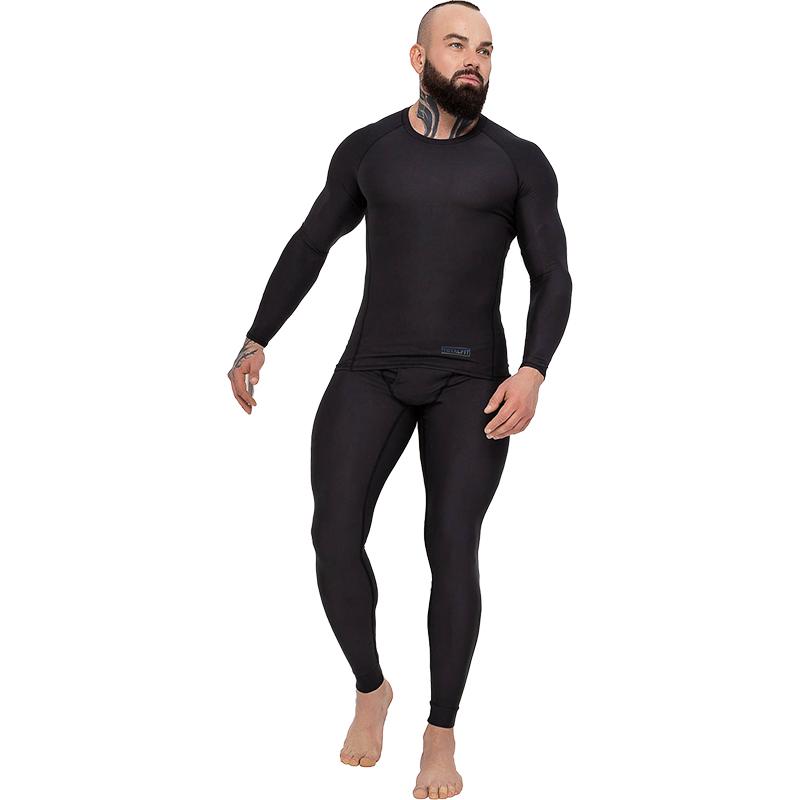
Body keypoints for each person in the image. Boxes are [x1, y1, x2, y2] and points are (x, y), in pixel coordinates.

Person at [227, 2, 572, 796]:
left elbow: (552, 273)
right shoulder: (369, 149)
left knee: (451, 543)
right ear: (417, 58)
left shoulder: (519, 161)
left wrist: (533, 370)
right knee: (332, 534)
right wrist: (257, 337)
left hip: (472, 379)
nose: (474, 60)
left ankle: (440, 733)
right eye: (456, 45)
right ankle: (370, 688)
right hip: (371, 368)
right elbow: (312, 242)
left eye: (485, 49)